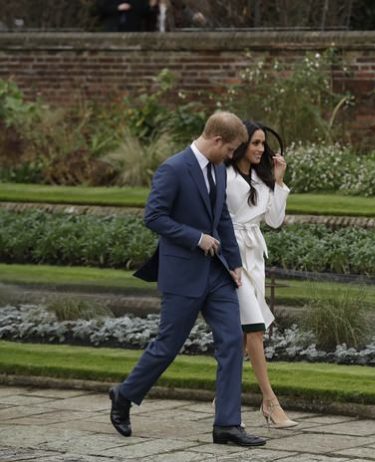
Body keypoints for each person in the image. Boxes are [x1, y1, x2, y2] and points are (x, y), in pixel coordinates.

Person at [109, 111, 266, 447]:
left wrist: (234, 263)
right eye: (230, 150)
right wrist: (196, 238)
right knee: (168, 346)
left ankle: (227, 425)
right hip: (182, 274)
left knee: (231, 341)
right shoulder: (173, 169)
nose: (231, 157)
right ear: (217, 140)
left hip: (218, 273)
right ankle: (124, 395)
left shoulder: (219, 169)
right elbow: (154, 217)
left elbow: (222, 217)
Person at [225, 121, 297, 428]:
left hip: (254, 258)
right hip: (231, 257)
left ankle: (223, 393)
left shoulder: (262, 178)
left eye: (263, 144)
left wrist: (278, 181)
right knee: (254, 328)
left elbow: (275, 220)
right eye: (255, 143)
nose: (260, 148)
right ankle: (270, 401)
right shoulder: (224, 175)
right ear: (242, 144)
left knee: (245, 333)